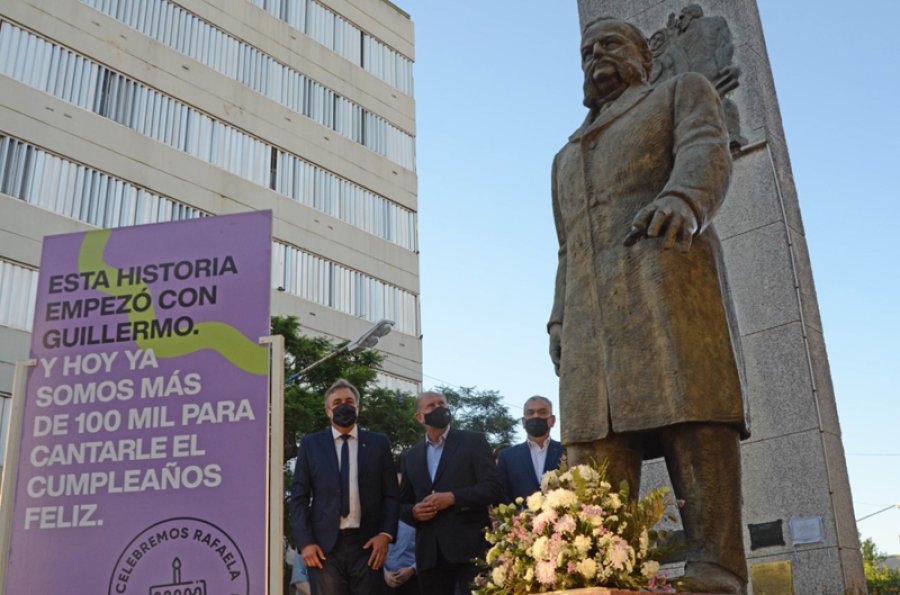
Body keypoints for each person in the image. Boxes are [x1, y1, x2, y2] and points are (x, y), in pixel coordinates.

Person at [548, 16, 748, 594]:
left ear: (644, 58)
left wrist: (684, 197)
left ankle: (716, 564)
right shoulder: (564, 156)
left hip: (662, 274)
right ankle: (599, 564)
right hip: (590, 313)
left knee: (692, 410)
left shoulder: (679, 92)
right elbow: (566, 245)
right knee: (593, 434)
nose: (596, 56)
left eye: (610, 44)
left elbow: (707, 146)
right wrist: (559, 317)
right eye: (587, 50)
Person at [290, 379, 399, 595]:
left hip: (368, 546)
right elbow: (299, 497)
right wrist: (305, 543)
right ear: (328, 411)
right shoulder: (311, 444)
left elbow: (391, 495)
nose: (344, 405)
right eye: (337, 402)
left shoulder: (379, 443)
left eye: (349, 401)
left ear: (358, 407)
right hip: (324, 549)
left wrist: (385, 535)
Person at [399, 391, 504, 595]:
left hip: (471, 549)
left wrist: (453, 498)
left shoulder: (473, 442)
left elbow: (494, 487)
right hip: (430, 556)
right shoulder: (410, 457)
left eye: (442, 403)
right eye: (431, 406)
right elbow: (401, 504)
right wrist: (413, 512)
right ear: (419, 417)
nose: (439, 408)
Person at [496, 395, 563, 502]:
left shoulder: (565, 451)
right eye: (530, 413)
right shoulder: (507, 456)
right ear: (523, 421)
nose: (535, 416)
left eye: (542, 412)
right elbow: (501, 493)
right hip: (519, 517)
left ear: (552, 420)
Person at [382, 519, 417, 594]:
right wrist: (384, 573)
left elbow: (427, 550)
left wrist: (412, 569)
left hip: (414, 579)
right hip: (382, 579)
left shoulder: (417, 519)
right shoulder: (380, 522)